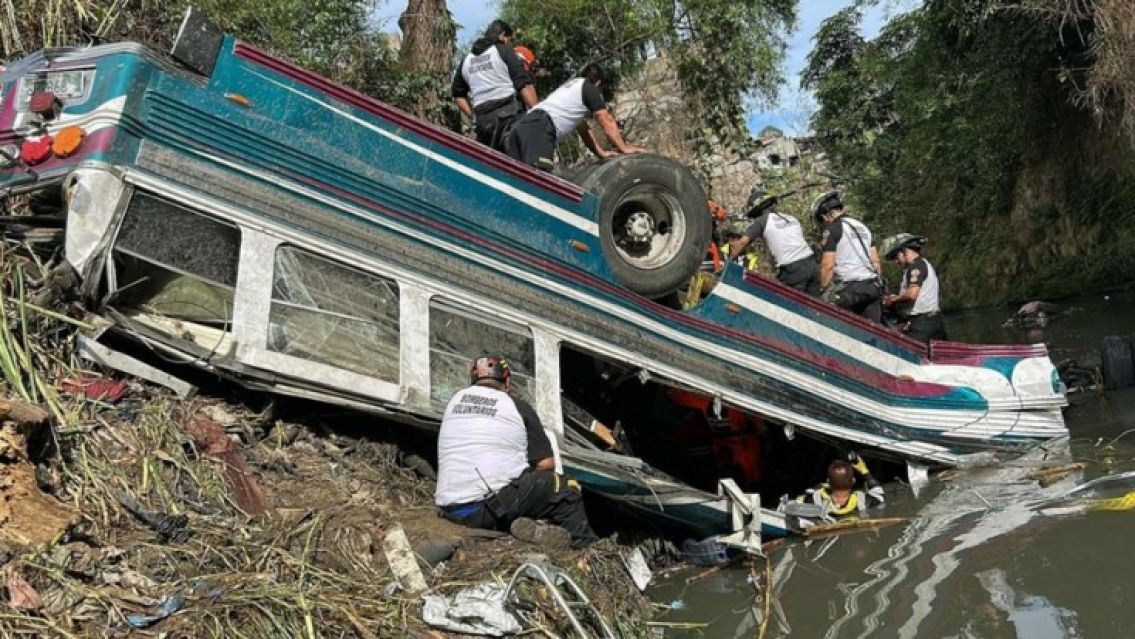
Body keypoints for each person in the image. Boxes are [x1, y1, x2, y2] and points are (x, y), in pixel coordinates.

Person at [435, 354, 598, 548]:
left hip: (449, 509)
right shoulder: (516, 406)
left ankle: (533, 531)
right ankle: (585, 552)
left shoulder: (454, 402)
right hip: (484, 510)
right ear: (508, 381)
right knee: (566, 488)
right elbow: (546, 464)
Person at [505, 63, 646, 171]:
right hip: (537, 129)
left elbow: (583, 130)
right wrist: (624, 148)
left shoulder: (572, 88)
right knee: (538, 184)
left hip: (521, 127)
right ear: (598, 82)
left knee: (519, 183)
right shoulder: (589, 88)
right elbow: (606, 120)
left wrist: (601, 153)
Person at [451, 20, 539, 152]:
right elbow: (524, 85)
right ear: (502, 35)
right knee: (525, 159)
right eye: (509, 40)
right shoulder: (504, 50)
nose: (510, 44)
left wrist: (474, 116)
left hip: (483, 124)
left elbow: (458, 95)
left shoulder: (466, 60)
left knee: (495, 165)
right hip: (510, 117)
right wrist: (539, 114)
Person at [729, 191, 820, 295]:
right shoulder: (790, 218)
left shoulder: (762, 221)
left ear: (757, 210)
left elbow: (742, 243)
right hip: (813, 264)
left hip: (793, 269)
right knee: (812, 306)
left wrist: (729, 261)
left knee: (781, 302)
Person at [812, 191, 884, 322]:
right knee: (872, 332)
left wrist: (821, 289)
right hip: (873, 287)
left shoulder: (833, 230)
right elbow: (876, 262)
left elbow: (828, 266)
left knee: (824, 315)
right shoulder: (863, 227)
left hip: (852, 289)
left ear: (825, 215)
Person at [882, 233, 948, 344]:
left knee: (910, 355)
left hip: (922, 325)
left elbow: (912, 294)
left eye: (896, 256)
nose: (896, 261)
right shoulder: (924, 264)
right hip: (934, 320)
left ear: (905, 251)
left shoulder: (916, 266)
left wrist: (892, 299)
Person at [796, 452, 885, 520]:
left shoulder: (814, 498)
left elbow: (797, 502)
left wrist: (818, 487)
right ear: (853, 481)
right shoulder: (862, 500)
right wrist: (864, 471)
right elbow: (880, 495)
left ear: (828, 482)